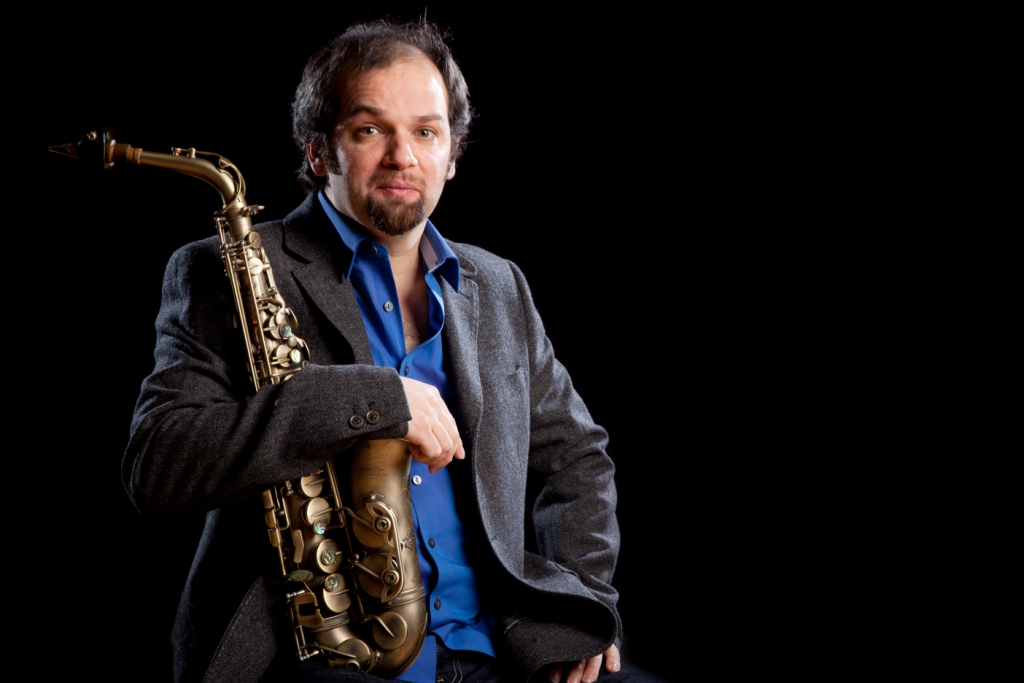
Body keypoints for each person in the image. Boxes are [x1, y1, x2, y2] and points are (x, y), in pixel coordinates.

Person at [124, 19, 640, 683]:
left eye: (426, 131)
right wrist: (376, 400)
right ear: (318, 151)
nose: (403, 155)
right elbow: (159, 465)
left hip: (502, 648)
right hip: (315, 650)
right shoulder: (219, 271)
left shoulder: (498, 284)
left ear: (451, 155)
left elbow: (577, 457)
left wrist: (587, 604)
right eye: (370, 129)